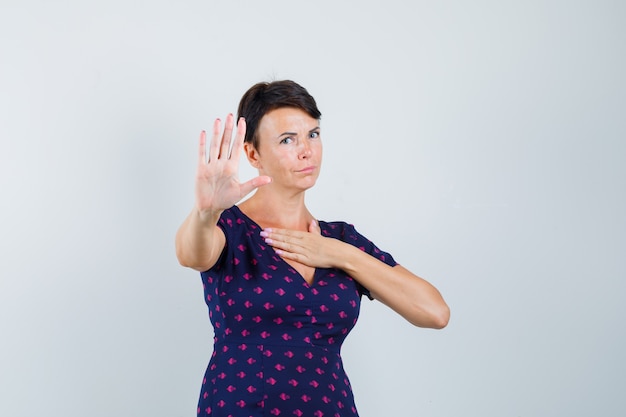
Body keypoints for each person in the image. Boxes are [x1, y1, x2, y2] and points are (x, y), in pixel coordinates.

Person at [175, 80, 450, 417]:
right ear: (252, 153)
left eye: (313, 134)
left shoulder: (342, 239)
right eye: (288, 140)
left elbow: (435, 312)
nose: (307, 150)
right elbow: (191, 254)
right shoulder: (229, 228)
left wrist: (338, 254)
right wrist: (206, 212)